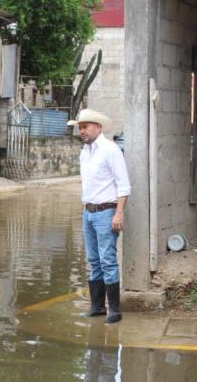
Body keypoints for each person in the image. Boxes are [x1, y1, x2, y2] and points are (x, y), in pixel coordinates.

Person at [67, 109, 131, 324]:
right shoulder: (85, 152)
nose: (82, 131)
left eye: (85, 127)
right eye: (80, 127)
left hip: (106, 212)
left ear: (98, 127)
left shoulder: (110, 150)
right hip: (89, 211)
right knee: (93, 260)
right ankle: (96, 306)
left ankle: (114, 309)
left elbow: (123, 185)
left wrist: (119, 213)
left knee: (107, 260)